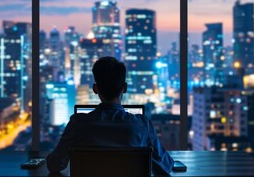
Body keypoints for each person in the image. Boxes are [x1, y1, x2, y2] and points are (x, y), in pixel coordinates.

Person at [46, 56, 174, 175]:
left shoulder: (78, 124)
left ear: (95, 89)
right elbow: (166, 166)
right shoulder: (142, 125)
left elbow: (54, 165)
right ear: (124, 88)